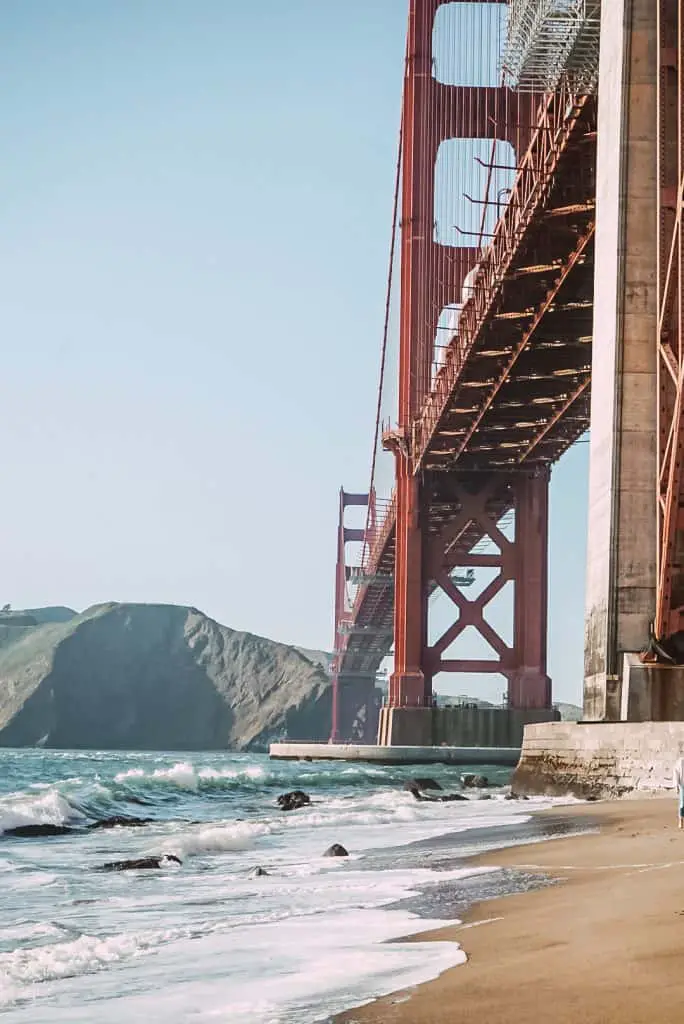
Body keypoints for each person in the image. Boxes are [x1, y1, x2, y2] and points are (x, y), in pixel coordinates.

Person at [673, 755, 684, 829]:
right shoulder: (680, 761)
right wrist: (676, 785)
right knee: (682, 803)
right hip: (682, 785)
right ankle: (681, 820)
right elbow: (676, 772)